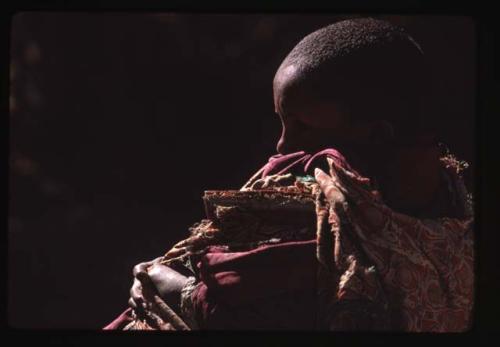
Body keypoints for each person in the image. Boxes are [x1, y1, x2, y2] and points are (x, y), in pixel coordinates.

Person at [104, 17, 473, 331]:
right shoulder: (452, 212)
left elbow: (238, 309)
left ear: (377, 133)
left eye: (301, 126)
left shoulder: (337, 225)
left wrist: (162, 282)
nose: (283, 145)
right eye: (282, 122)